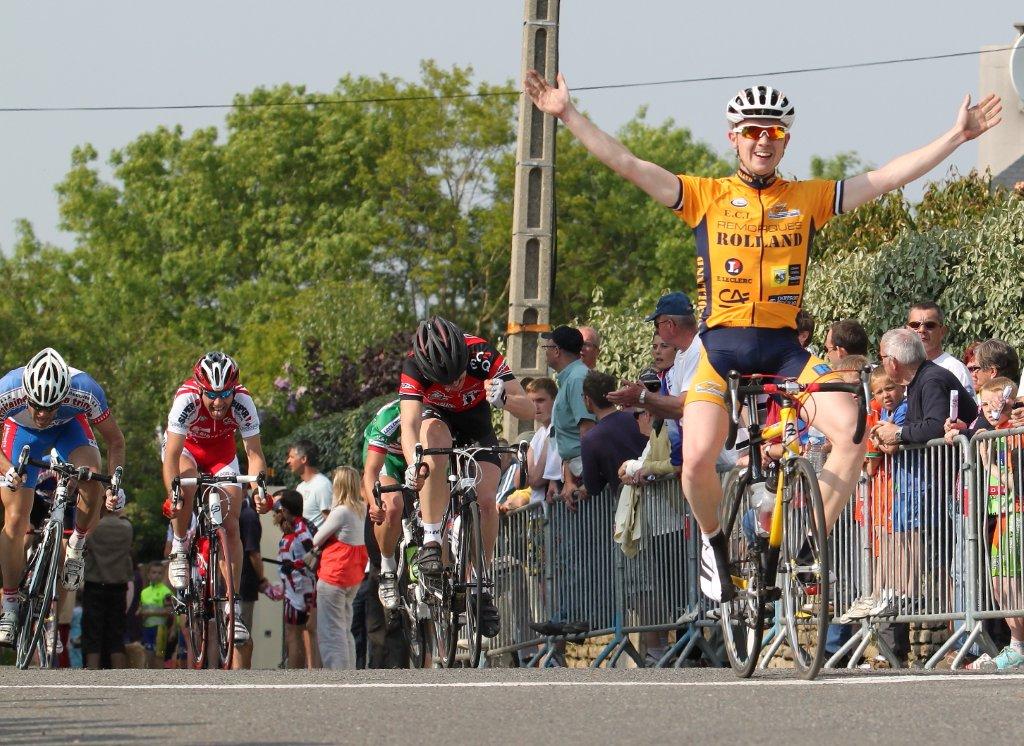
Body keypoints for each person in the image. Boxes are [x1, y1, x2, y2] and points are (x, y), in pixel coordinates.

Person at [523, 69, 1001, 601]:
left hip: (783, 351)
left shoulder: (808, 198)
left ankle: (806, 539)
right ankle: (714, 545)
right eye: (752, 130)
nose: (763, 140)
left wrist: (956, 136)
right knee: (697, 461)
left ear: (786, 139)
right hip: (720, 348)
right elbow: (629, 165)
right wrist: (567, 114)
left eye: (773, 132)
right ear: (734, 137)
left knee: (853, 433)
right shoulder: (705, 196)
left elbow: (886, 177)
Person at [399, 316, 534, 638]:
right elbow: (409, 424)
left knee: (487, 500)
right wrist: (412, 463)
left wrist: (504, 399)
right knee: (431, 444)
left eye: (458, 376)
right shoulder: (413, 366)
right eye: (443, 381)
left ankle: (480, 582)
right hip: (438, 421)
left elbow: (529, 409)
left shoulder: (483, 354)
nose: (454, 385)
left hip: (477, 426)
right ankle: (432, 539)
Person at [0, 348, 126, 645]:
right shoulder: (8, 389)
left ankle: (77, 547)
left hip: (70, 428)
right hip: (20, 433)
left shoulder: (86, 390)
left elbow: (115, 440)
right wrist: (7, 470)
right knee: (16, 519)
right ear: (27, 394)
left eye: (51, 406)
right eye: (37, 405)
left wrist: (115, 484)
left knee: (91, 475)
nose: (43, 414)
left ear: (64, 395)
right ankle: (9, 605)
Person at [162, 351, 269, 647]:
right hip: (188, 453)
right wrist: (173, 494)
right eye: (211, 394)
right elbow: (171, 454)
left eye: (225, 394)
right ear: (200, 388)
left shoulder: (244, 402)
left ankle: (231, 607)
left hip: (222, 456)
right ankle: (181, 546)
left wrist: (259, 490)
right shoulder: (186, 400)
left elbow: (255, 454)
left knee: (232, 524)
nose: (219, 402)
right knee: (186, 485)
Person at [307, 466, 368, 670]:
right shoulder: (363, 508)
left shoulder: (340, 512)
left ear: (338, 486)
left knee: (330, 629)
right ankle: (349, 669)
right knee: (344, 627)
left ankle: (337, 671)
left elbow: (316, 539)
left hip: (334, 574)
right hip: (354, 575)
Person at [360, 398, 407, 610]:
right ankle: (388, 567)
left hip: (418, 459)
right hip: (386, 459)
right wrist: (374, 503)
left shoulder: (444, 411)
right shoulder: (390, 415)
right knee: (393, 504)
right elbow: (370, 472)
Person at [542, 325, 596, 507]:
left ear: (556, 351)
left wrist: (589, 481)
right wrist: (569, 480)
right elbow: (566, 439)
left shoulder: (577, 379)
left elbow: (588, 431)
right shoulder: (570, 378)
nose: (545, 352)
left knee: (590, 534)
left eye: (547, 348)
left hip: (586, 474)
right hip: (577, 474)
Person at [578, 370, 648, 498]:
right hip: (659, 494)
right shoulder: (638, 418)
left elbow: (592, 487)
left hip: (628, 502)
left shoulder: (590, 439)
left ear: (587, 399)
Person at [270, 489, 317, 669]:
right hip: (300, 587)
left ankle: (296, 672)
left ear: (285, 510)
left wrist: (297, 565)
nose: (274, 513)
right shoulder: (302, 526)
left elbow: (312, 550)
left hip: (298, 589)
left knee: (295, 632)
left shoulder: (299, 529)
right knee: (303, 631)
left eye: (277, 508)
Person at [81, 505, 133, 669]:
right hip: (118, 584)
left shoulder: (94, 526)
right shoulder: (126, 527)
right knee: (116, 634)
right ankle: (118, 673)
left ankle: (92, 671)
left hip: (95, 582)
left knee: (93, 634)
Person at [906, 302, 974, 395]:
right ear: (907, 330)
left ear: (942, 331)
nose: (922, 330)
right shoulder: (902, 369)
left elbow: (969, 409)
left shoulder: (956, 369)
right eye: (915, 325)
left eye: (930, 325)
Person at [237, 495, 265, 669]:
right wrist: (262, 578)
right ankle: (240, 671)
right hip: (242, 579)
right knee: (242, 630)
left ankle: (239, 671)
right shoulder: (248, 514)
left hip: (239, 579)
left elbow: (252, 552)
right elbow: (254, 553)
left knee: (239, 631)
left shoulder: (245, 514)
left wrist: (260, 579)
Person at [286, 439, 332, 533]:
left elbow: (331, 522)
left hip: (320, 547)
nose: (288, 461)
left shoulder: (322, 485)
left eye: (291, 457)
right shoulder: (300, 487)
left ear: (303, 459)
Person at [138, 561, 173, 669]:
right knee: (147, 654)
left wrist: (149, 613)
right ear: (148, 574)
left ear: (163, 575)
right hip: (146, 628)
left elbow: (169, 611)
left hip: (160, 628)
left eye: (159, 573)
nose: (156, 575)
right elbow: (141, 608)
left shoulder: (166, 591)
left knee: (159, 655)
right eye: (154, 572)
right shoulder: (144, 592)